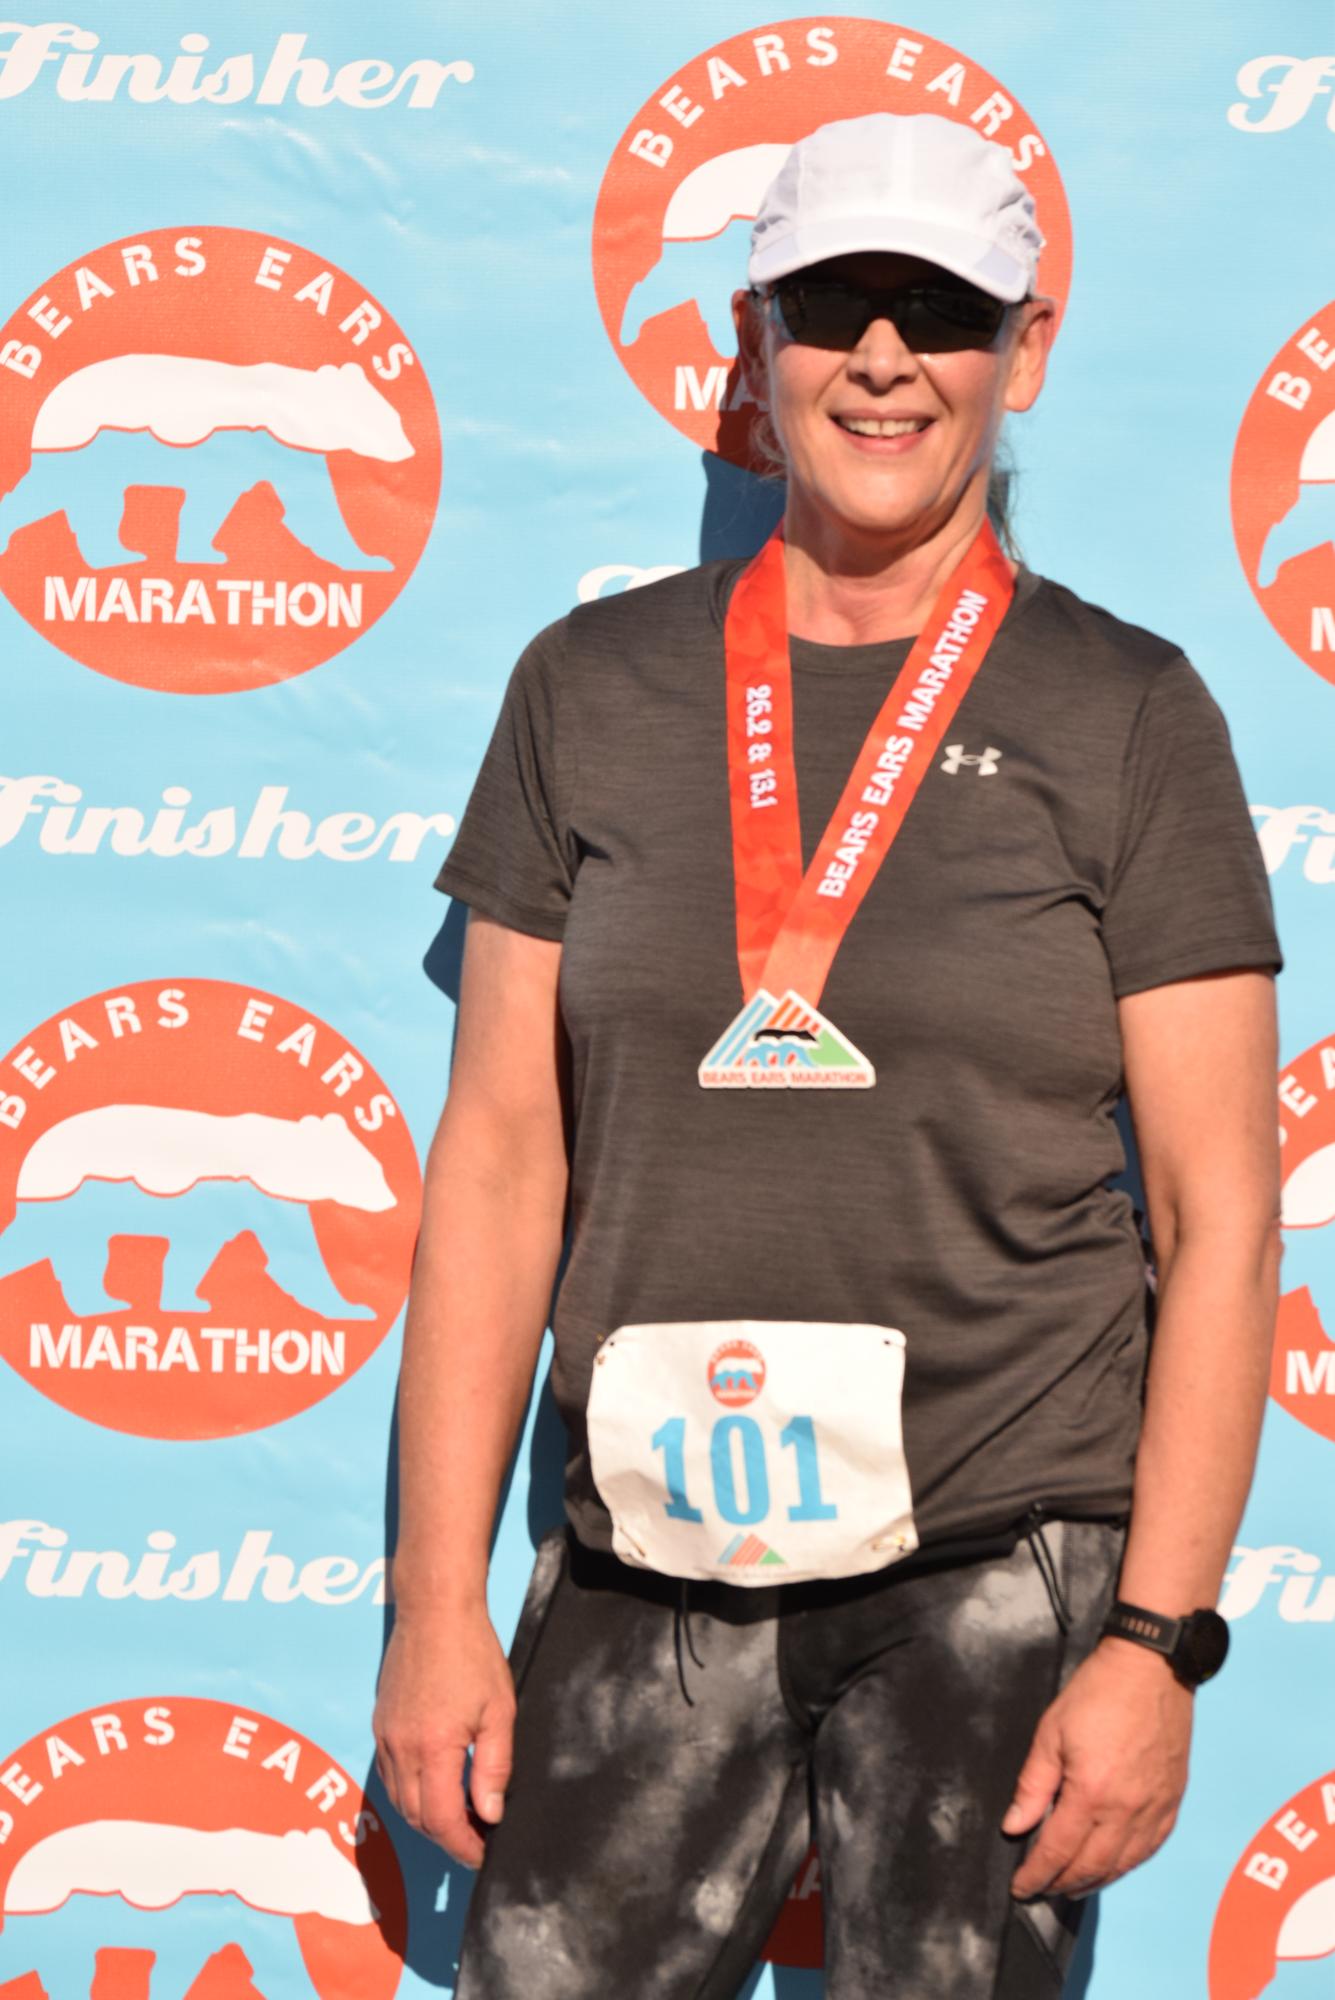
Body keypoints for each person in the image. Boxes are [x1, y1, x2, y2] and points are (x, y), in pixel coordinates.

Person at [373, 111, 1283, 1997]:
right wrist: (433, 1606)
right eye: (834, 305)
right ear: (756, 338)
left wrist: (1156, 1643)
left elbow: (1221, 1218)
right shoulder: (588, 689)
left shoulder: (1127, 712)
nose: (883, 358)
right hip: (643, 1561)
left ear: (1022, 352)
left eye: (938, 311)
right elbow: (502, 1164)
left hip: (998, 1563)